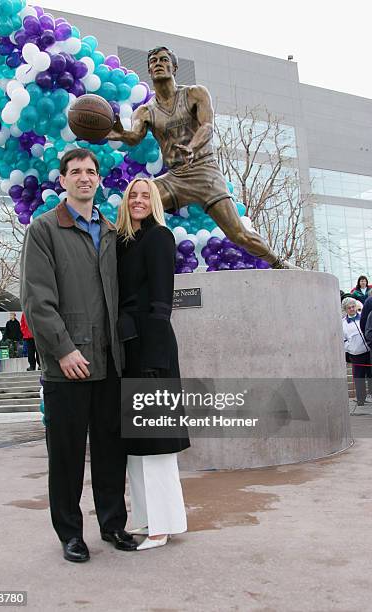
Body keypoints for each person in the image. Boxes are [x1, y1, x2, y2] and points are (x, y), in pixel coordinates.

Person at [20, 148, 137, 563]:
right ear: (63, 180)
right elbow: (37, 301)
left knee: (111, 452)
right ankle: (70, 533)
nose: (84, 178)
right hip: (66, 366)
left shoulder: (110, 231)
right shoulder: (44, 230)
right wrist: (64, 350)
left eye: (90, 171)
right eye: (75, 172)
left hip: (110, 364)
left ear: (99, 179)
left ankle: (113, 525)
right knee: (67, 457)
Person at [108, 46, 295, 270]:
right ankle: (132, 265)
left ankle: (278, 263)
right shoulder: (146, 111)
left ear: (174, 67)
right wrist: (122, 134)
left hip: (204, 171)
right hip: (176, 177)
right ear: (149, 69)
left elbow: (207, 126)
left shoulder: (195, 94)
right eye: (154, 61)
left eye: (164, 59)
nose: (158, 63)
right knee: (134, 205)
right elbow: (134, 137)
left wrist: (192, 148)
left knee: (239, 234)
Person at [116, 177, 190, 551]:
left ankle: (163, 526)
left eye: (146, 196)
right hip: (129, 349)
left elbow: (163, 300)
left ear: (155, 202)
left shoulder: (160, 237)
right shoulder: (124, 241)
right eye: (134, 195)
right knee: (136, 444)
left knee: (156, 443)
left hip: (152, 351)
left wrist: (154, 358)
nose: (139, 200)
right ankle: (146, 520)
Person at [342, 298, 371, 406]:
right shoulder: (343, 323)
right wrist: (350, 348)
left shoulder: (363, 317)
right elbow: (343, 339)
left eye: (353, 306)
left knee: (370, 375)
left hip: (368, 351)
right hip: (356, 355)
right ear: (345, 310)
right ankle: (360, 399)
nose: (352, 309)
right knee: (359, 378)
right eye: (349, 308)